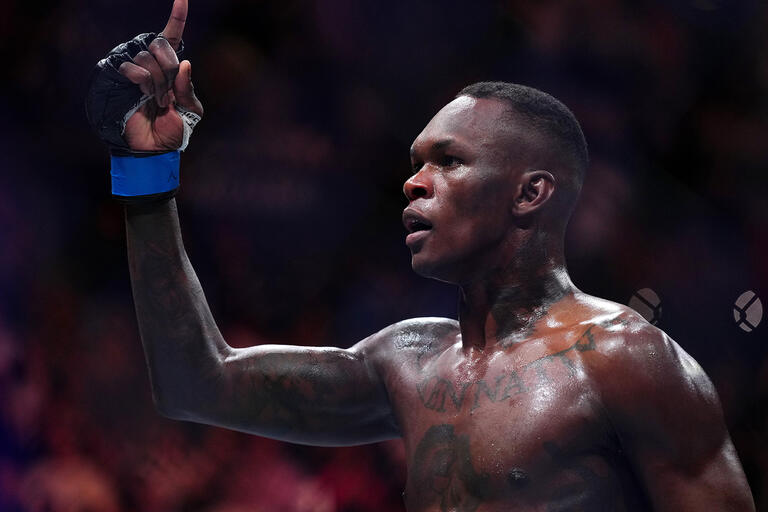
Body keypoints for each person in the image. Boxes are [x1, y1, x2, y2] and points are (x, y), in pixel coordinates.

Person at [86, 1, 755, 509]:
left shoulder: (626, 360)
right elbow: (195, 383)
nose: (414, 181)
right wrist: (147, 177)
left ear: (530, 193)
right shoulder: (407, 362)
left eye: (449, 161)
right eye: (414, 163)